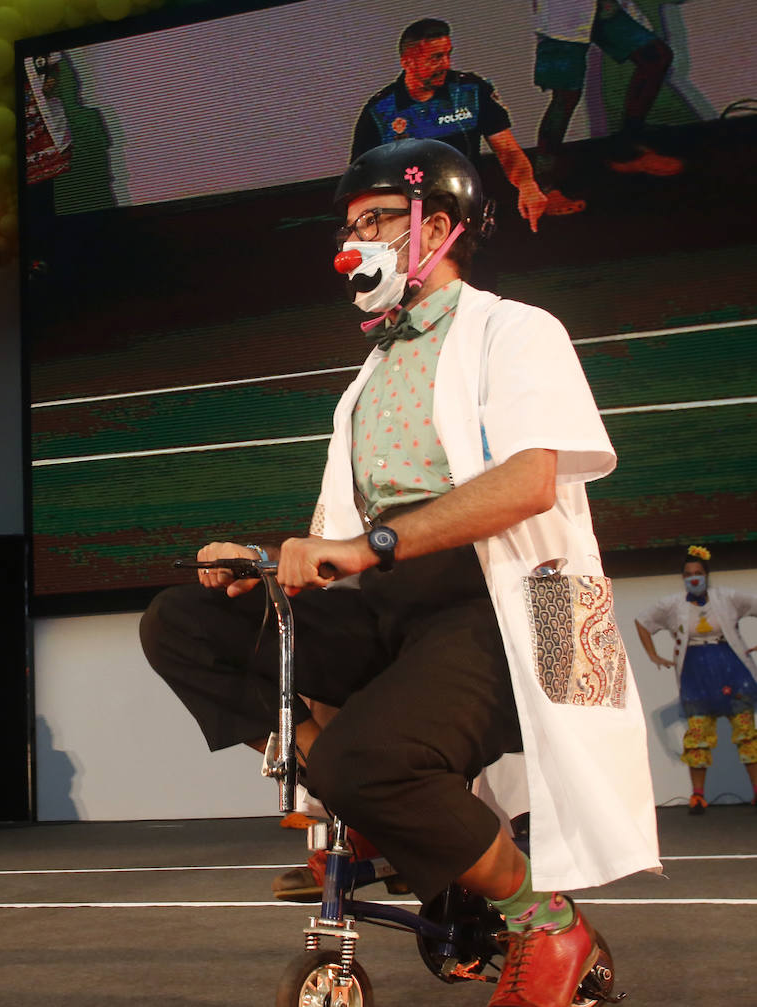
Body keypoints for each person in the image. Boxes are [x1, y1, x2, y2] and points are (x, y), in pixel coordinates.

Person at [140, 138, 659, 1007]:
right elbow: (334, 540)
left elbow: (531, 481)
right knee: (182, 622)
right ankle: (366, 805)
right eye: (349, 226)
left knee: (364, 759)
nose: (356, 243)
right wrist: (266, 565)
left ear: (441, 227)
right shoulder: (366, 382)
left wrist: (371, 548)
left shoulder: (516, 330)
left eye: (377, 220)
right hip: (390, 610)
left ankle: (546, 923)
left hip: (499, 610)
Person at [350, 19, 566, 232]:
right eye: (435, 58)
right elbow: (361, 179)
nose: (445, 64)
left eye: (447, 55)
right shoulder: (379, 111)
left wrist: (527, 184)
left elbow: (508, 152)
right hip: (411, 222)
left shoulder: (470, 91)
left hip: (469, 212)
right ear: (407, 62)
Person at [635, 545, 757, 813]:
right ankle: (698, 795)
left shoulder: (727, 597)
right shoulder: (672, 605)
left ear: (707, 575)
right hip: (696, 675)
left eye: (698, 573)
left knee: (746, 732)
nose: (694, 578)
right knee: (698, 735)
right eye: (688, 574)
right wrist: (653, 655)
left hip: (732, 671)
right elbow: (643, 621)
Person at [532, 0, 684, 193]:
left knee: (655, 57)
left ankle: (628, 146)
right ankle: (543, 183)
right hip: (562, 15)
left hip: (602, 9)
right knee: (566, 96)